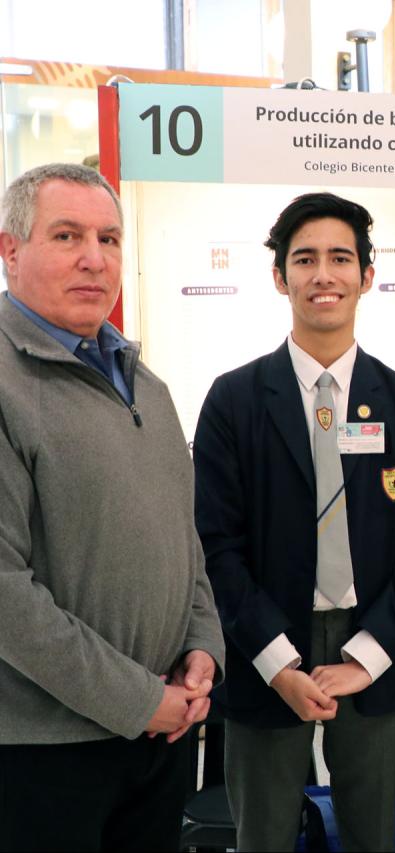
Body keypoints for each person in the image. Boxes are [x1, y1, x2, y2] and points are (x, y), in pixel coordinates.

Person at [193, 192, 395, 851]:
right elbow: (215, 545)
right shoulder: (234, 399)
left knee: (373, 833)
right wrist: (278, 662)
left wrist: (366, 657)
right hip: (265, 646)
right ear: (280, 277)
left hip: (374, 643)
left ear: (367, 275)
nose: (323, 274)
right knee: (264, 835)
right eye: (304, 259)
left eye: (341, 258)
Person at [0, 162, 226, 850]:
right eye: (67, 235)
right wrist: (139, 700)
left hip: (158, 736)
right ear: (10, 249)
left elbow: (183, 541)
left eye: (110, 238)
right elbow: (5, 592)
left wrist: (202, 648)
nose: (94, 259)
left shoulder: (146, 386)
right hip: (44, 751)